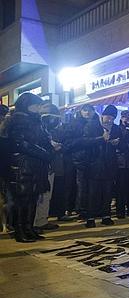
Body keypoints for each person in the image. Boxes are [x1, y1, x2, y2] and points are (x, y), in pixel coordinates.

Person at [3, 93, 52, 242]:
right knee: (22, 200)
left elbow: (42, 140)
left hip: (35, 166)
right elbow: (21, 143)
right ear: (27, 105)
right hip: (22, 166)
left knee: (32, 198)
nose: (38, 108)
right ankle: (20, 230)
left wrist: (48, 148)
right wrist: (44, 153)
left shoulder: (36, 120)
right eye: (36, 105)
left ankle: (29, 228)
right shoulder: (18, 120)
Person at [81, 105, 121, 228]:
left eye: (112, 118)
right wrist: (101, 139)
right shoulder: (92, 125)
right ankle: (90, 217)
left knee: (107, 192)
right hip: (94, 163)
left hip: (110, 163)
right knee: (93, 192)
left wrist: (117, 143)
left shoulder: (116, 128)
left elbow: (122, 143)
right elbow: (85, 142)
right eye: (108, 116)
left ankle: (106, 216)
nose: (109, 120)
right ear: (103, 115)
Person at [33, 103, 63, 232]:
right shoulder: (36, 128)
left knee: (46, 195)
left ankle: (42, 220)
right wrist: (52, 147)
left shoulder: (48, 130)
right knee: (38, 195)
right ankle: (34, 222)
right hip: (39, 166)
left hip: (50, 165)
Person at [70, 104, 99, 220]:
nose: (87, 113)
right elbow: (72, 142)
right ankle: (81, 209)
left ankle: (93, 208)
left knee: (93, 186)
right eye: (85, 110)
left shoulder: (98, 123)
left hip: (96, 159)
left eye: (90, 110)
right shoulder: (75, 124)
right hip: (80, 159)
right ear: (81, 112)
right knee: (82, 186)